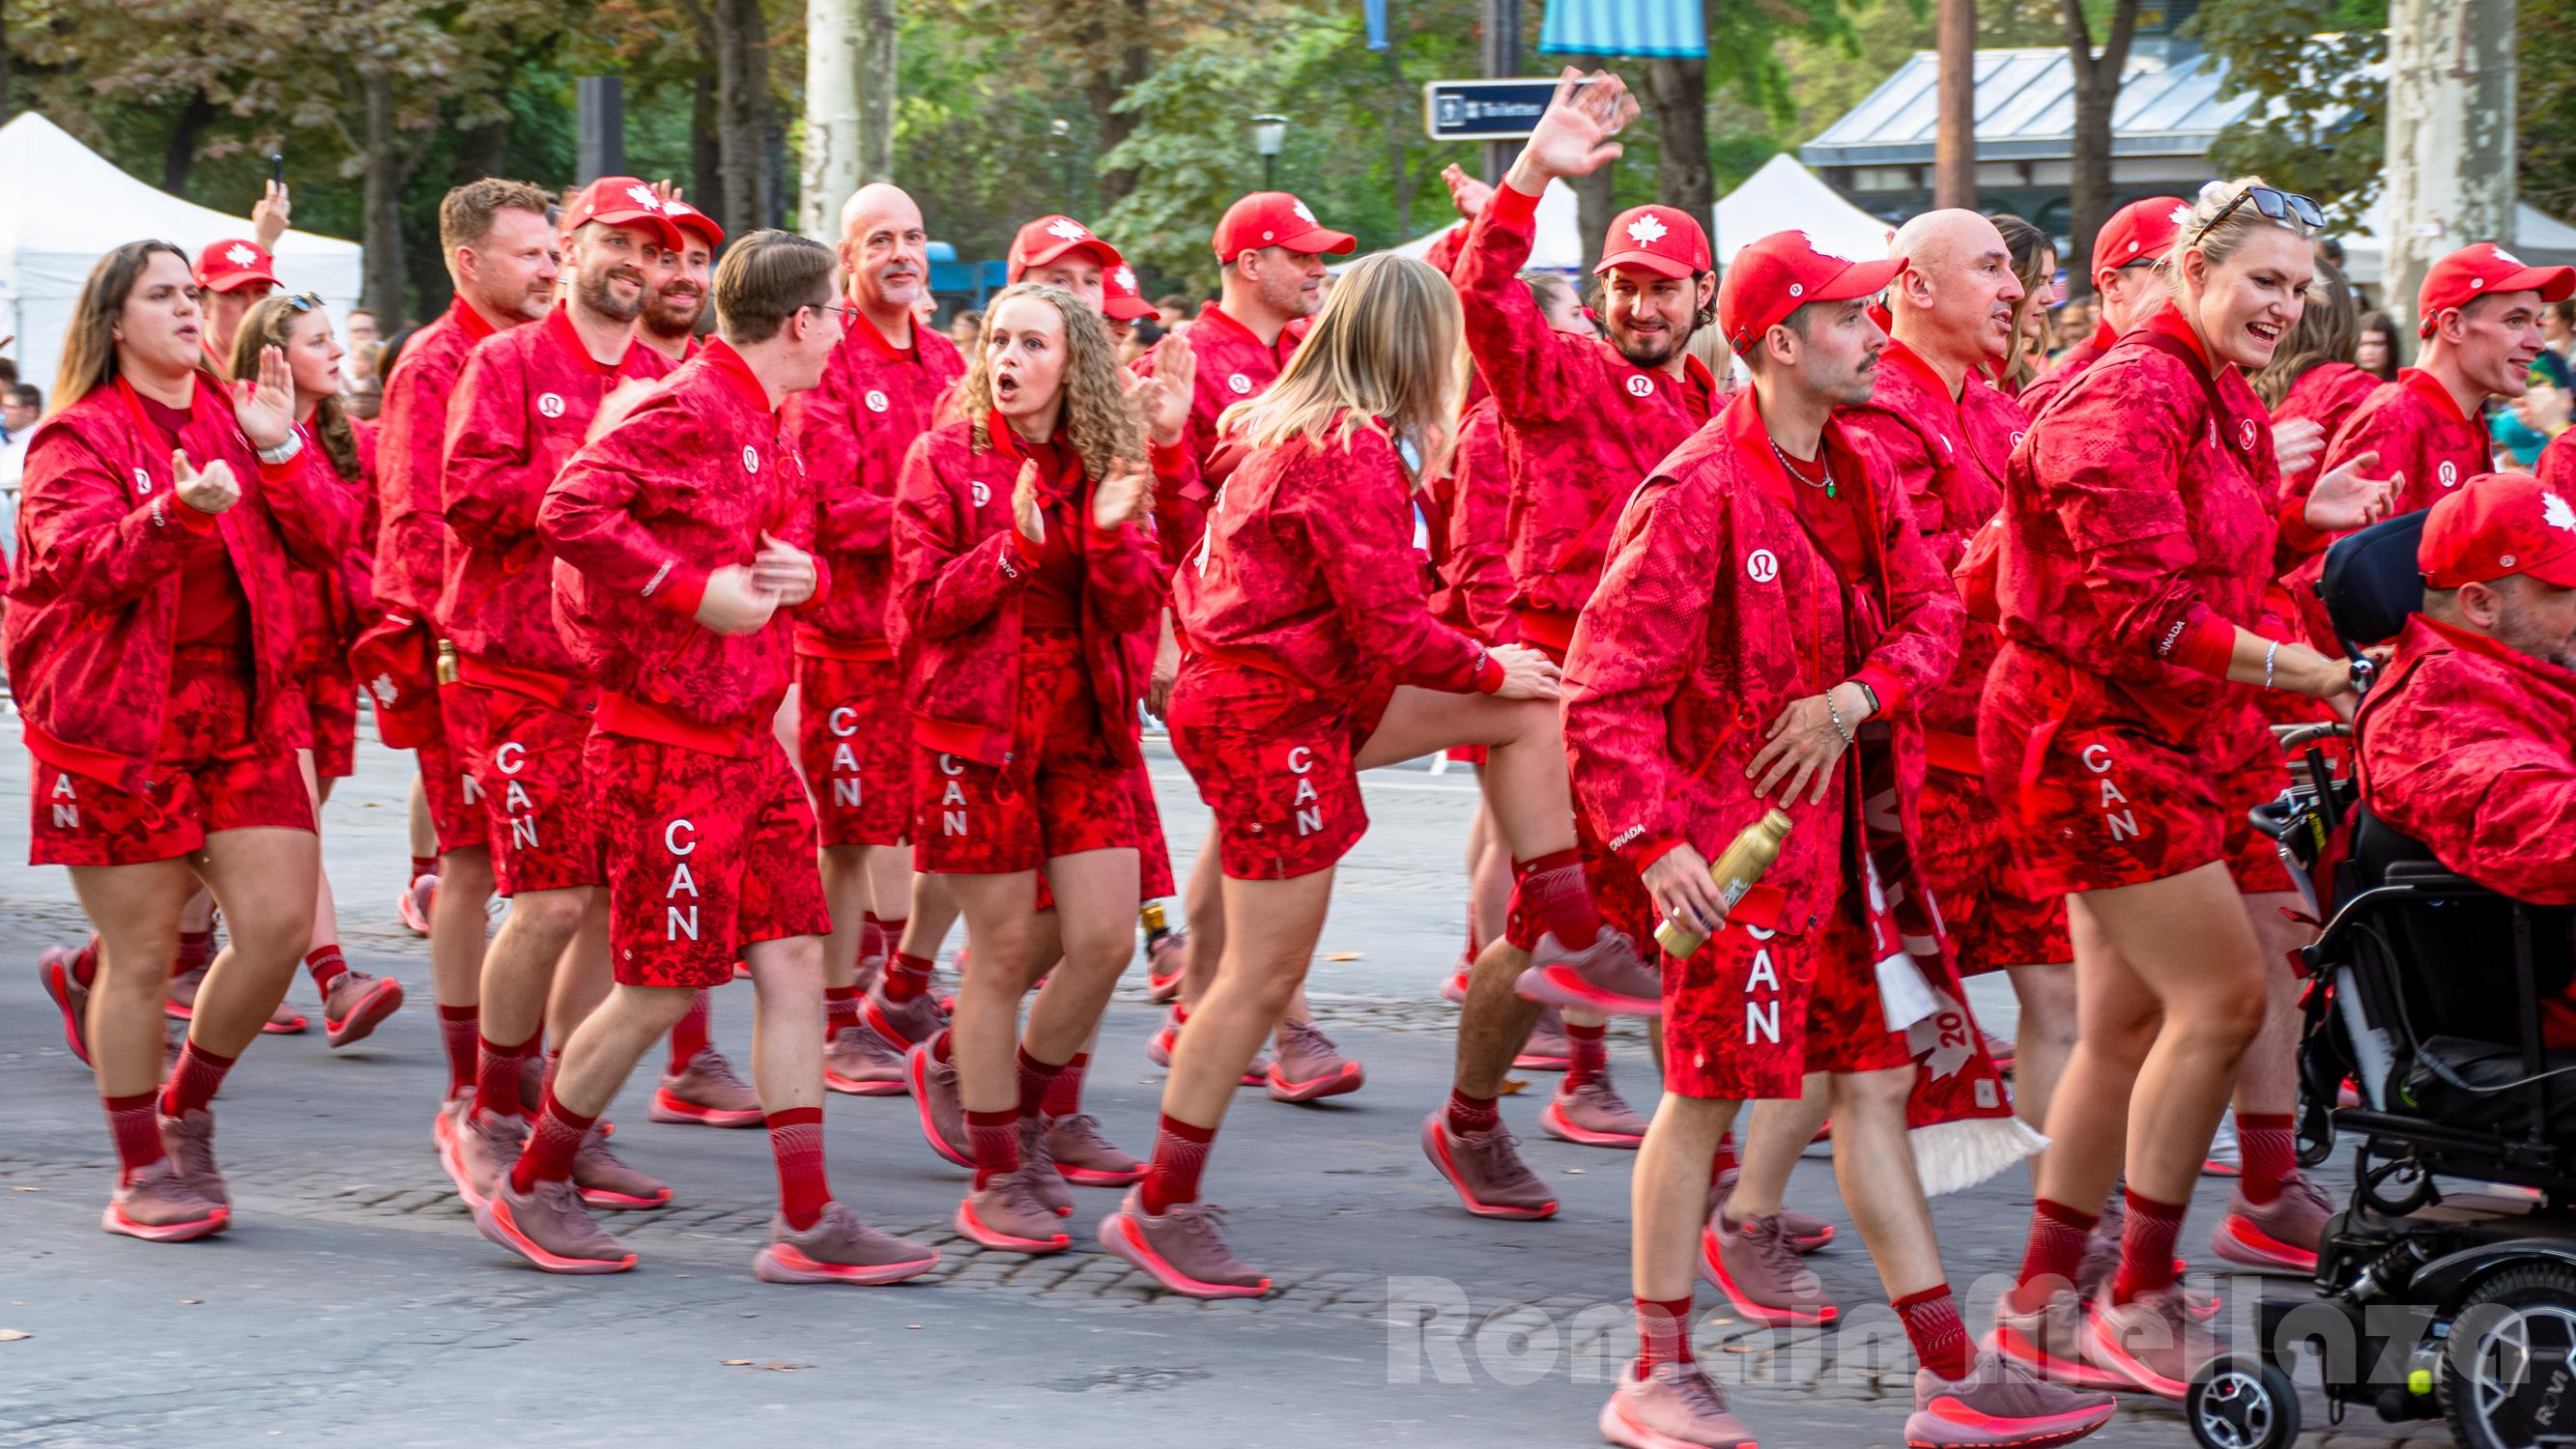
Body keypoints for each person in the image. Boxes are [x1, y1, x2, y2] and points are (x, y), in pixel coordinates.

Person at [1566, 223, 2113, 1449]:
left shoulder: (1854, 472)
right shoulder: (1696, 491)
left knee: (1871, 1090)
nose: (1873, 334)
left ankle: (1948, 1376)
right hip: (1728, 865)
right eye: (1850, 317)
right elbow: (1601, 694)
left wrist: (1853, 697)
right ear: (1780, 342)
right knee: (1702, 1103)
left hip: (1848, 865)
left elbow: (1931, 619)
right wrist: (1657, 847)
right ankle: (1652, 1371)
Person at [1105, 250, 1609, 1296]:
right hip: (1271, 717)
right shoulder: (1347, 450)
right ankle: (1162, 1205)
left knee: (1527, 710)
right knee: (1258, 982)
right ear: (1417, 344)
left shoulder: (1293, 426)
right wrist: (1481, 658)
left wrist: (1488, 672)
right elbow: (1389, 631)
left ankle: (1570, 925)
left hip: (1279, 696)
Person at [1986, 178, 2393, 1398]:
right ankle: (2134, 1296)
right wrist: (2306, 668)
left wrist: (2282, 520)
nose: (2284, 306)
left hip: (2167, 730)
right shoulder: (2124, 392)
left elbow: (2191, 553)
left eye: (2298, 288)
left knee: (2125, 1023)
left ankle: (2041, 1302)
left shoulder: (2208, 388)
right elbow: (2139, 608)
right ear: (2192, 271)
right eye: (2262, 281)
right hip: (2093, 733)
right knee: (2218, 1002)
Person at [486, 228, 940, 1284]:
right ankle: (532, 1186)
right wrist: (693, 594)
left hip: (745, 747)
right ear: (803, 323)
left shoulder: (757, 416)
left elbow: (784, 560)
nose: (841, 332)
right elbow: (568, 510)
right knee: (655, 989)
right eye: (832, 312)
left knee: (789, 965)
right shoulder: (689, 406)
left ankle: (809, 1217)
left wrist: (797, 579)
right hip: (662, 751)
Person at [18, 240, 357, 1240]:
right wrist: (175, 513)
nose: (183, 307)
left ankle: (187, 1106)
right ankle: (138, 1171)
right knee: (141, 954)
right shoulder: (68, 439)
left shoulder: (237, 411)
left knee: (278, 930)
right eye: (160, 295)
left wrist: (281, 449)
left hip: (244, 710)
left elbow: (330, 537)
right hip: (121, 721)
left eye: (189, 293)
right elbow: (77, 565)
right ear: (114, 322)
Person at [1429, 71, 1704, 1169]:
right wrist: (1533, 170)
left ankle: (1715, 1168)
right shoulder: (1552, 380)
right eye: (1622, 286)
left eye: (1662, 288)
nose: (1640, 307)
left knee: (1681, 927)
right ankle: (1472, 1119)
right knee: (1551, 934)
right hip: (1563, 694)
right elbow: (1481, 291)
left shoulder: (1712, 413)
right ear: (1595, 293)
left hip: (1675, 706)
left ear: (1703, 295)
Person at [889, 281, 1194, 1250]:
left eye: (1032, 344)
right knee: (1007, 954)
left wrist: (1107, 529)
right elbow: (916, 612)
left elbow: (1136, 607)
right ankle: (993, 1170)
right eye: (998, 341)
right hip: (974, 737)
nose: (1007, 359)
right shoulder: (940, 458)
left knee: (1104, 941)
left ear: (1076, 365)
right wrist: (1012, 553)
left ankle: (1005, 1106)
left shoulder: (1105, 459)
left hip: (1083, 729)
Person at [437, 180, 711, 1217]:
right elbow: (464, 494)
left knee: (603, 904)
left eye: (656, 247)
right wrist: (585, 474)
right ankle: (489, 1108)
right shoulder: (502, 363)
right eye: (619, 243)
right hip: (516, 676)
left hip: (622, 683)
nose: (639, 263)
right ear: (571, 247)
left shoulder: (667, 373)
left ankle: (570, 1114)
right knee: (547, 899)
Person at [1830, 210, 2078, 1223]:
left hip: (1999, 760)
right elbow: (1909, 589)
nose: (2016, 290)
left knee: (2062, 1003)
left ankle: (2071, 1250)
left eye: (2011, 271)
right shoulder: (1871, 411)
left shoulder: (1994, 403)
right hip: (1903, 772)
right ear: (1915, 289)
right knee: (1865, 1040)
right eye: (1989, 269)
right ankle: (1743, 1212)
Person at [1129, 190, 1356, 1087]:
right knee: (1266, 828)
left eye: (1319, 253)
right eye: (1300, 255)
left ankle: (1197, 1010)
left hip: (1285, 642)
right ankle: (1284, 1024)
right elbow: (1142, 506)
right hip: (1214, 639)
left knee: (1242, 825)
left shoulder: (1301, 352)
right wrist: (1160, 632)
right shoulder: (1180, 359)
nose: (1316, 269)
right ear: (1249, 264)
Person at [363, 179, 559, 1146]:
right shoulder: (432, 364)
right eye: (528, 253)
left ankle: (532, 1084)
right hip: (468, 657)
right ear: (468, 262)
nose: (549, 267)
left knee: (558, 883)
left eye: (552, 249)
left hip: (561, 656)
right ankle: (466, 1087)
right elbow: (415, 520)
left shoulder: (553, 351)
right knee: (475, 864)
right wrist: (451, 647)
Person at [781, 183, 967, 1105]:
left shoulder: (945, 360)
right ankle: (852, 1011)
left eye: (915, 236)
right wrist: (927, 517)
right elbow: (817, 503)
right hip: (847, 643)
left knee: (894, 827)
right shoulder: (826, 358)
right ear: (847, 260)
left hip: (930, 639)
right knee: (856, 830)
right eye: (881, 239)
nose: (902, 252)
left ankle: (873, 1003)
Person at [224, 292, 407, 1050]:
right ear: (272, 356)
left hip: (330, 659)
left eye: (339, 338)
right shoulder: (235, 435)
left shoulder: (352, 440)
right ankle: (335, 980)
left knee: (271, 838)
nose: (339, 353)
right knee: (290, 827)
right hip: (262, 664)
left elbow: (362, 540)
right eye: (318, 340)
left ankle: (107, 965)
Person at [2357, 470, 2576, 923]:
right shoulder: (2431, 711)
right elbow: (2549, 836)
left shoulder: (2525, 664)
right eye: (2566, 591)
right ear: (2481, 605)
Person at [2302, 244, 2571, 528]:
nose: (2538, 343)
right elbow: (2359, 565)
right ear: (2453, 325)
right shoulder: (2394, 420)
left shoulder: (2463, 416)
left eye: (2537, 324)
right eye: (2516, 321)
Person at [2018, 198, 2188, 417]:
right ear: (2113, 284)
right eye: (2174, 272)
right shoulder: (2063, 393)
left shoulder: (2216, 374)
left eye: (2202, 270)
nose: (2195, 286)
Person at [639, 194, 721, 361]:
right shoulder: (603, 370)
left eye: (697, 262)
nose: (685, 276)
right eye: (667, 260)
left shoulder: (720, 374)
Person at [1989, 213, 2057, 394]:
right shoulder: (1962, 378)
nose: (2050, 298)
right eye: (2036, 282)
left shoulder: (2023, 375)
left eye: (2050, 282)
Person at [191, 240, 281, 376]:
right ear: (200, 304)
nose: (252, 307)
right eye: (234, 293)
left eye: (261, 292)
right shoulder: (184, 374)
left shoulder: (285, 366)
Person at [2356, 309, 2400, 382]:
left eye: (2376, 344)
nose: (2369, 351)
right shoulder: (2346, 387)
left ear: (2390, 347)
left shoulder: (2403, 387)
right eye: (2362, 344)